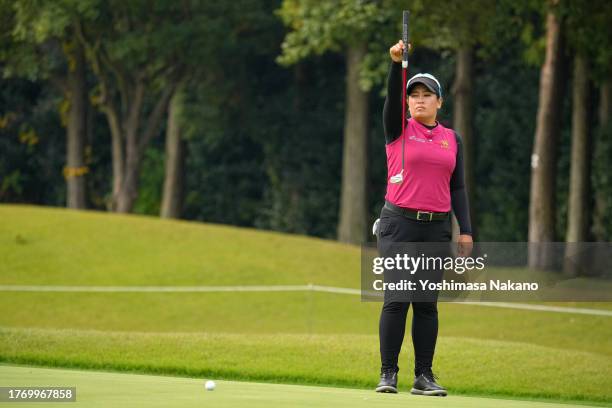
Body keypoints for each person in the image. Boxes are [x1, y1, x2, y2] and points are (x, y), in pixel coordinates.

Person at [375, 40, 473, 396]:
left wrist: (466, 231)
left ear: (439, 102)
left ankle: (423, 376)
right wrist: (395, 64)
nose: (419, 99)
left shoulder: (452, 139)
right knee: (397, 299)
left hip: (435, 228)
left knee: (426, 304)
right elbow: (390, 100)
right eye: (413, 93)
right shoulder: (398, 130)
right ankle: (388, 374)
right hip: (398, 225)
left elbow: (459, 189)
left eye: (426, 94)